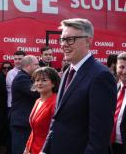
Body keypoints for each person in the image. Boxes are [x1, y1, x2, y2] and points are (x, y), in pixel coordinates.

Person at [42, 18, 117, 154]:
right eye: (62, 40)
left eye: (70, 39)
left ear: (88, 40)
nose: (64, 45)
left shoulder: (101, 76)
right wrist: (45, 150)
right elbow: (57, 119)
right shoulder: (66, 72)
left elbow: (99, 136)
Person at [24, 67, 60, 154]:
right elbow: (34, 131)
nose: (39, 83)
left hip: (46, 150)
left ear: (53, 83)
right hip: (32, 148)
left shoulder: (55, 103)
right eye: (37, 80)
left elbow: (56, 132)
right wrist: (27, 148)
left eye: (44, 80)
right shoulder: (38, 101)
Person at [10, 55, 40, 154]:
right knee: (21, 150)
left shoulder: (26, 77)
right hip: (21, 123)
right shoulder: (21, 78)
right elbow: (35, 92)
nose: (38, 67)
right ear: (29, 66)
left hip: (25, 122)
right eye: (36, 64)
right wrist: (44, 81)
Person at [111, 52, 126, 154]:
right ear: (116, 67)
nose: (124, 71)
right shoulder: (114, 88)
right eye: (121, 67)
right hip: (112, 145)